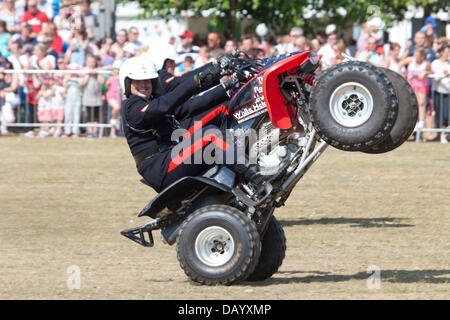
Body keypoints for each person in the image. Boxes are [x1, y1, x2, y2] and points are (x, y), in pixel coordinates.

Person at [119, 56, 247, 192]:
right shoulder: (131, 107)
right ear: (127, 83)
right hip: (159, 167)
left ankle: (246, 174)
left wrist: (228, 88)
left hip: (170, 155)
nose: (143, 85)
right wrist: (201, 79)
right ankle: (253, 173)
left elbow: (191, 106)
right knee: (211, 135)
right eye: (137, 81)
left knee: (224, 110)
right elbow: (166, 103)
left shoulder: (152, 100)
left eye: (147, 81)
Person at [398, 47, 432, 137]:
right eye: (415, 55)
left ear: (422, 57)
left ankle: (421, 122)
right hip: (411, 84)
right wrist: (401, 73)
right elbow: (401, 64)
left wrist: (425, 72)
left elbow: (430, 71)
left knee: (421, 103)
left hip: (421, 85)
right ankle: (413, 121)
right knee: (412, 103)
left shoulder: (426, 63)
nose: (415, 57)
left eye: (417, 56)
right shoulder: (410, 60)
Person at [81, 54, 104, 137]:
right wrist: (88, 74)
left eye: (93, 62)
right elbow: (82, 83)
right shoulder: (84, 70)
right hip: (87, 97)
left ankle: (95, 131)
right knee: (89, 115)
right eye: (90, 62)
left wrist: (97, 74)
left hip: (97, 97)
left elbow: (102, 82)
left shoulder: (99, 70)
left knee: (96, 115)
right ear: (86, 62)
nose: (91, 63)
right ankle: (89, 131)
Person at [431, 46, 450, 143]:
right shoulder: (435, 63)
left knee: (447, 115)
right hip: (438, 92)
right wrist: (445, 75)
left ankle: (446, 134)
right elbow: (437, 79)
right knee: (439, 113)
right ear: (442, 52)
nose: (448, 54)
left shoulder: (448, 64)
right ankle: (440, 134)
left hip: (447, 92)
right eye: (447, 51)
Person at [63, 63, 82, 137]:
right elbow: (65, 86)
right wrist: (67, 79)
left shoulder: (79, 79)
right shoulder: (67, 79)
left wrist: (75, 79)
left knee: (76, 115)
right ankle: (67, 131)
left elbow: (81, 85)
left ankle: (75, 131)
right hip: (68, 100)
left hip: (77, 100)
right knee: (68, 115)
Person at [0, 61, 19, 135]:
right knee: (4, 107)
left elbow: (13, 88)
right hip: (3, 97)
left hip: (13, 96)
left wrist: (3, 90)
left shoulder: (14, 74)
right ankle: (3, 129)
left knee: (5, 105)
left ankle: (9, 119)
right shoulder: (2, 74)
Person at [105, 60, 122, 138]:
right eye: (115, 69)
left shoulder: (122, 78)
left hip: (119, 96)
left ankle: (113, 132)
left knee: (117, 114)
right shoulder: (111, 77)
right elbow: (106, 85)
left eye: (118, 69)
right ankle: (112, 122)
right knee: (116, 108)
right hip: (111, 95)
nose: (117, 70)